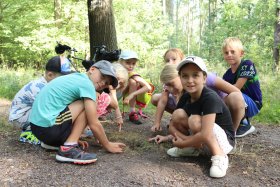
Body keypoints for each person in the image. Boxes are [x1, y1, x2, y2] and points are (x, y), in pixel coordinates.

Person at [29, 60, 126, 164]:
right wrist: (107, 144)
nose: (103, 83)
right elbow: (93, 122)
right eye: (102, 77)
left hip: (38, 127)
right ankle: (68, 148)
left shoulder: (76, 78)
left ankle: (58, 142)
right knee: (89, 105)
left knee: (86, 102)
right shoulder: (87, 85)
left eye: (106, 83)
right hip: (47, 128)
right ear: (92, 69)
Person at [167, 56, 235, 178]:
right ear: (180, 78)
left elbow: (206, 134)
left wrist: (183, 143)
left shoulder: (210, 97)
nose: (190, 80)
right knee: (178, 114)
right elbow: (172, 125)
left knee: (194, 120)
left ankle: (219, 156)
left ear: (204, 78)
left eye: (195, 75)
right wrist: (186, 141)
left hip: (223, 142)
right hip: (202, 138)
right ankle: (192, 149)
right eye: (185, 76)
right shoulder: (186, 96)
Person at [150, 64, 245, 134]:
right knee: (189, 118)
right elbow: (163, 102)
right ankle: (190, 133)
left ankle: (233, 133)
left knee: (236, 96)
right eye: (167, 85)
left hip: (218, 108)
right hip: (200, 113)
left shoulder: (207, 79)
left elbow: (236, 91)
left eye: (172, 84)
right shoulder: (184, 93)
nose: (170, 88)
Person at [9, 56, 72, 145]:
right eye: (62, 78)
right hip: (20, 117)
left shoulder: (48, 85)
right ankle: (30, 133)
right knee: (55, 113)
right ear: (50, 75)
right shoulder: (39, 87)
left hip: (28, 114)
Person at [222, 37, 262, 138]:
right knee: (220, 97)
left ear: (241, 53)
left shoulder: (247, 65)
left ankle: (244, 123)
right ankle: (230, 124)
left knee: (232, 95)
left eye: (232, 52)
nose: (229, 55)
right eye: (226, 53)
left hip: (253, 103)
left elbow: (236, 88)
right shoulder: (227, 74)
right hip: (239, 100)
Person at [151, 48, 185, 128]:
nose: (170, 62)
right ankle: (176, 117)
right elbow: (163, 101)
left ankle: (180, 120)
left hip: (188, 106)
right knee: (155, 98)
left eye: (174, 59)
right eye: (167, 60)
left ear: (182, 59)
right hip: (176, 102)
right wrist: (157, 123)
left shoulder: (187, 79)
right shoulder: (168, 78)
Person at [118, 50, 154, 124]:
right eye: (128, 63)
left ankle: (132, 112)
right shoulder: (116, 71)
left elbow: (148, 87)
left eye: (133, 64)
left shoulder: (132, 75)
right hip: (113, 93)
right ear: (120, 62)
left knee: (133, 81)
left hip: (121, 93)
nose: (131, 66)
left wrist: (132, 95)